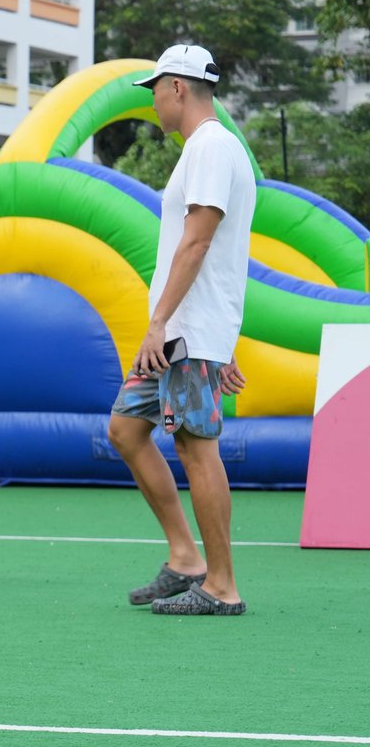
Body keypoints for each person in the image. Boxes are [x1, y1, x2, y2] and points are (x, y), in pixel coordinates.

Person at [108, 44, 252, 616]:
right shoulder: (205, 149)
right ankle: (186, 558)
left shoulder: (212, 147)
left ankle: (222, 587)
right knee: (125, 429)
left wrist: (162, 323)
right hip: (187, 332)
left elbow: (199, 242)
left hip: (184, 332)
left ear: (177, 88)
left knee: (196, 446)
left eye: (154, 90)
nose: (153, 102)